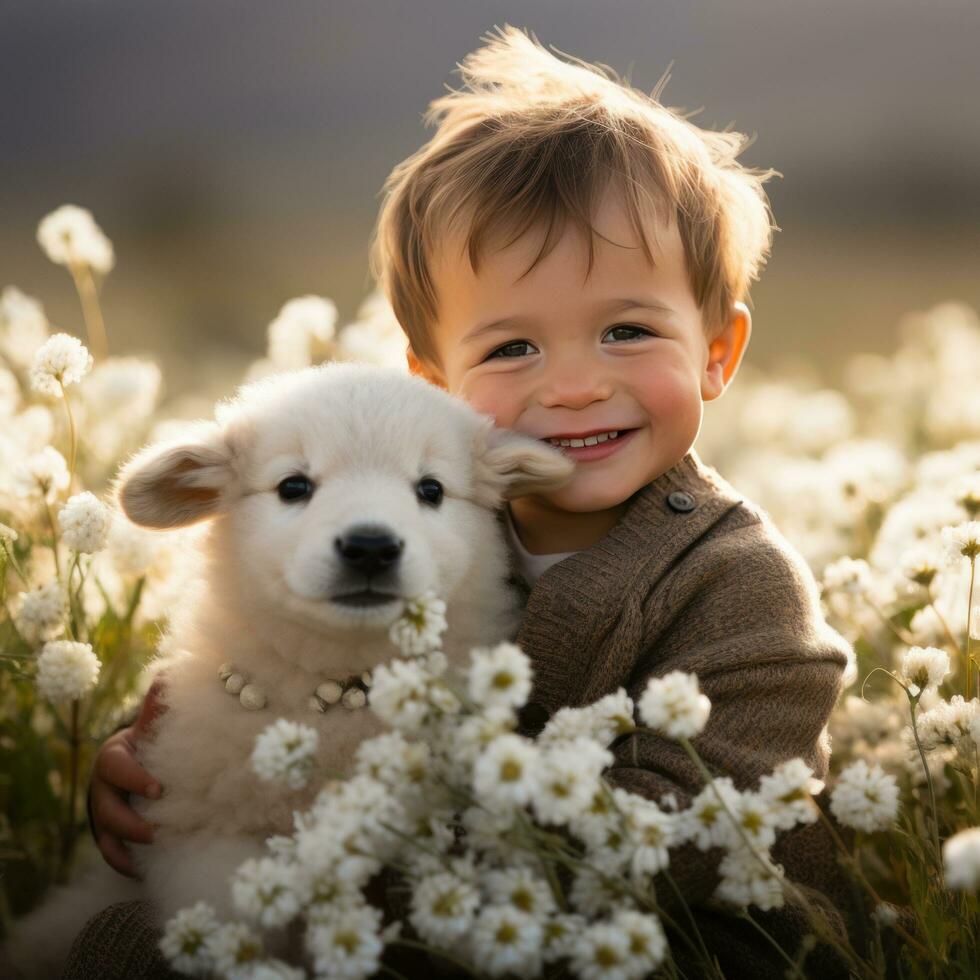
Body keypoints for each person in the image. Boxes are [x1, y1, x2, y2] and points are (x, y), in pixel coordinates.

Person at [69, 24, 867, 979]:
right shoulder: (430, 519)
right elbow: (285, 684)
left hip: (682, 937)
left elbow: (682, 840)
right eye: (512, 348)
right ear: (433, 384)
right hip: (434, 910)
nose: (573, 386)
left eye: (625, 330)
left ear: (718, 354)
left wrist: (361, 866)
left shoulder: (742, 588)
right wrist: (152, 761)